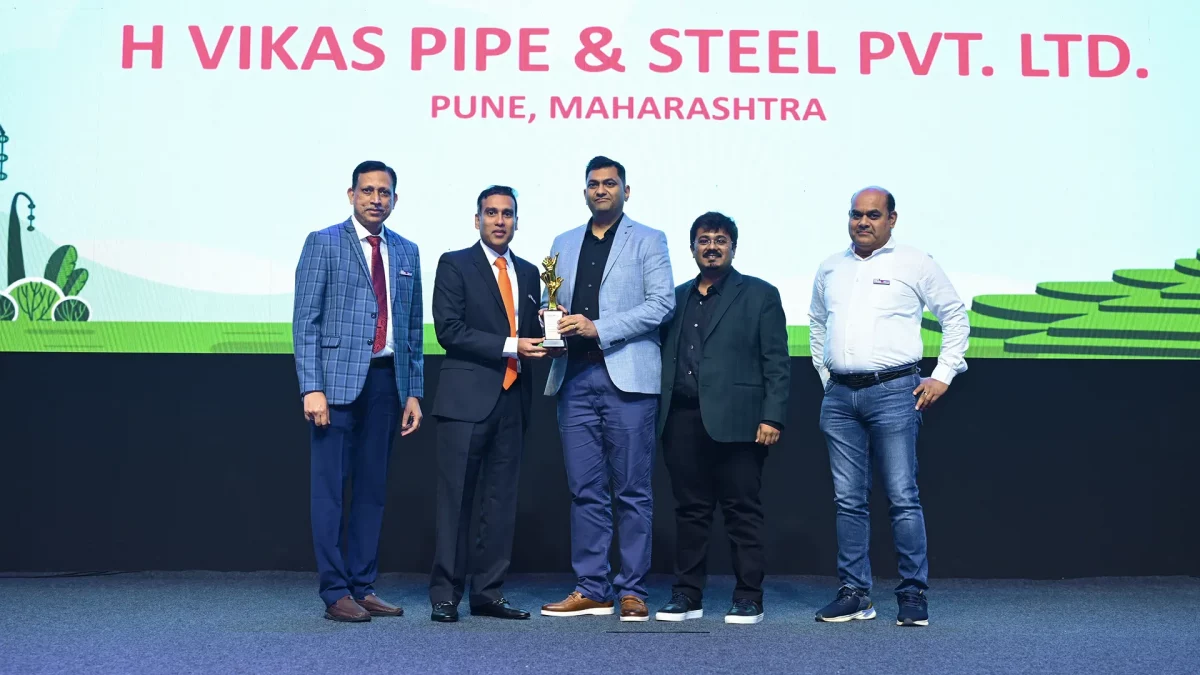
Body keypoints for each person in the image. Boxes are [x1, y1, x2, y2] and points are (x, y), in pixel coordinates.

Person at [808, 186, 969, 627]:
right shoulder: (831, 266)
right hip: (840, 398)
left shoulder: (915, 262)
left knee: (902, 496)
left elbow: (955, 315)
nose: (863, 222)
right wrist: (826, 377)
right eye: (856, 214)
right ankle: (855, 594)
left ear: (891, 219)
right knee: (848, 500)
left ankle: (913, 594)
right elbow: (817, 322)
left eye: (873, 215)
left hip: (895, 392)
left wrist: (944, 374)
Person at [538, 156, 675, 622]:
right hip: (574, 378)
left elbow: (662, 304)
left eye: (610, 183)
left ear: (625, 191)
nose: (601, 190)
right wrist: (551, 324)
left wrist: (599, 327)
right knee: (584, 491)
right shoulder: (563, 242)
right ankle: (592, 588)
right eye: (594, 184)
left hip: (628, 380)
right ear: (585, 192)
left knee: (632, 491)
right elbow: (551, 301)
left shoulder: (649, 239)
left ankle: (632, 590)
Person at [292, 160, 425, 622]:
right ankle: (335, 592)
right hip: (334, 385)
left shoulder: (407, 251)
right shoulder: (324, 242)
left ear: (395, 199)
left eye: (383, 192)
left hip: (387, 382)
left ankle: (363, 585)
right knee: (330, 491)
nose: (375, 199)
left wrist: (414, 392)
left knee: (372, 491)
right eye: (367, 191)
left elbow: (412, 329)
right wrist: (312, 387)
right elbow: (305, 321)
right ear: (351, 195)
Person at [653, 212, 790, 625]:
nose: (711, 247)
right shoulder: (674, 298)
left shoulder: (760, 294)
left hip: (740, 422)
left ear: (733, 247)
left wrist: (773, 417)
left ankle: (748, 596)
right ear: (692, 247)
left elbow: (776, 362)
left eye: (720, 240)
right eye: (704, 240)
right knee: (689, 511)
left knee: (741, 511)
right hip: (681, 419)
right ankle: (687, 595)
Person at [427, 185, 544, 622]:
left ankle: (488, 592)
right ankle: (445, 594)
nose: (499, 221)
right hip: (465, 401)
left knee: (500, 502)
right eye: (491, 213)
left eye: (507, 214)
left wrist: (551, 331)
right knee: (455, 502)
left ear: (516, 221)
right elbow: (449, 330)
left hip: (514, 399)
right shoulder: (455, 264)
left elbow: (531, 331)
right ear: (477, 220)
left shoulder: (530, 272)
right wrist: (513, 344)